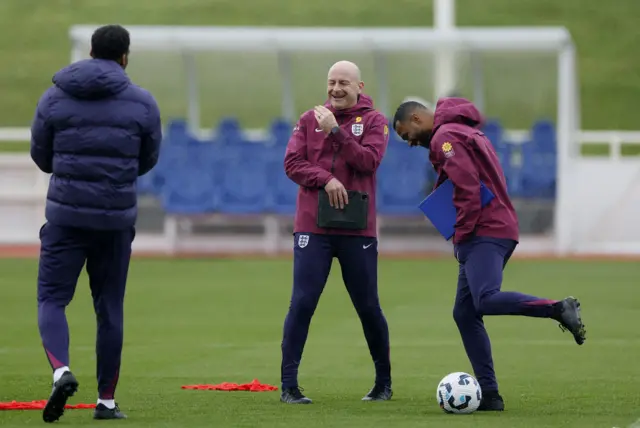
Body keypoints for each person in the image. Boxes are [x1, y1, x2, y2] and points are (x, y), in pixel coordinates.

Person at [392, 98, 586, 411]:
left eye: (407, 134)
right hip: (495, 226)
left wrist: (461, 233)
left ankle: (556, 309)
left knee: (484, 299)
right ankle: (491, 396)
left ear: (416, 117)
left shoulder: (445, 138)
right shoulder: (463, 130)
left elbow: (468, 188)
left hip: (485, 230)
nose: (411, 142)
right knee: (465, 313)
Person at [30, 24, 161, 423]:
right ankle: (105, 401)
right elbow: (148, 159)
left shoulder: (55, 96)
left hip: (66, 218)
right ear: (125, 56)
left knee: (52, 299)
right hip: (115, 220)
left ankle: (61, 370)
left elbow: (41, 154)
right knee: (109, 308)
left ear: (90, 51)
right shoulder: (142, 102)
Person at [280, 60, 392, 404]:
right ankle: (289, 386)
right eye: (331, 82)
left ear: (360, 86)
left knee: (368, 306)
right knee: (302, 303)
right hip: (313, 227)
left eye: (343, 82)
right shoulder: (307, 119)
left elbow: (368, 162)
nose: (335, 89)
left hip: (357, 230)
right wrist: (325, 179)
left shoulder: (374, 122)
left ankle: (383, 383)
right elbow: (292, 164)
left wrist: (336, 132)